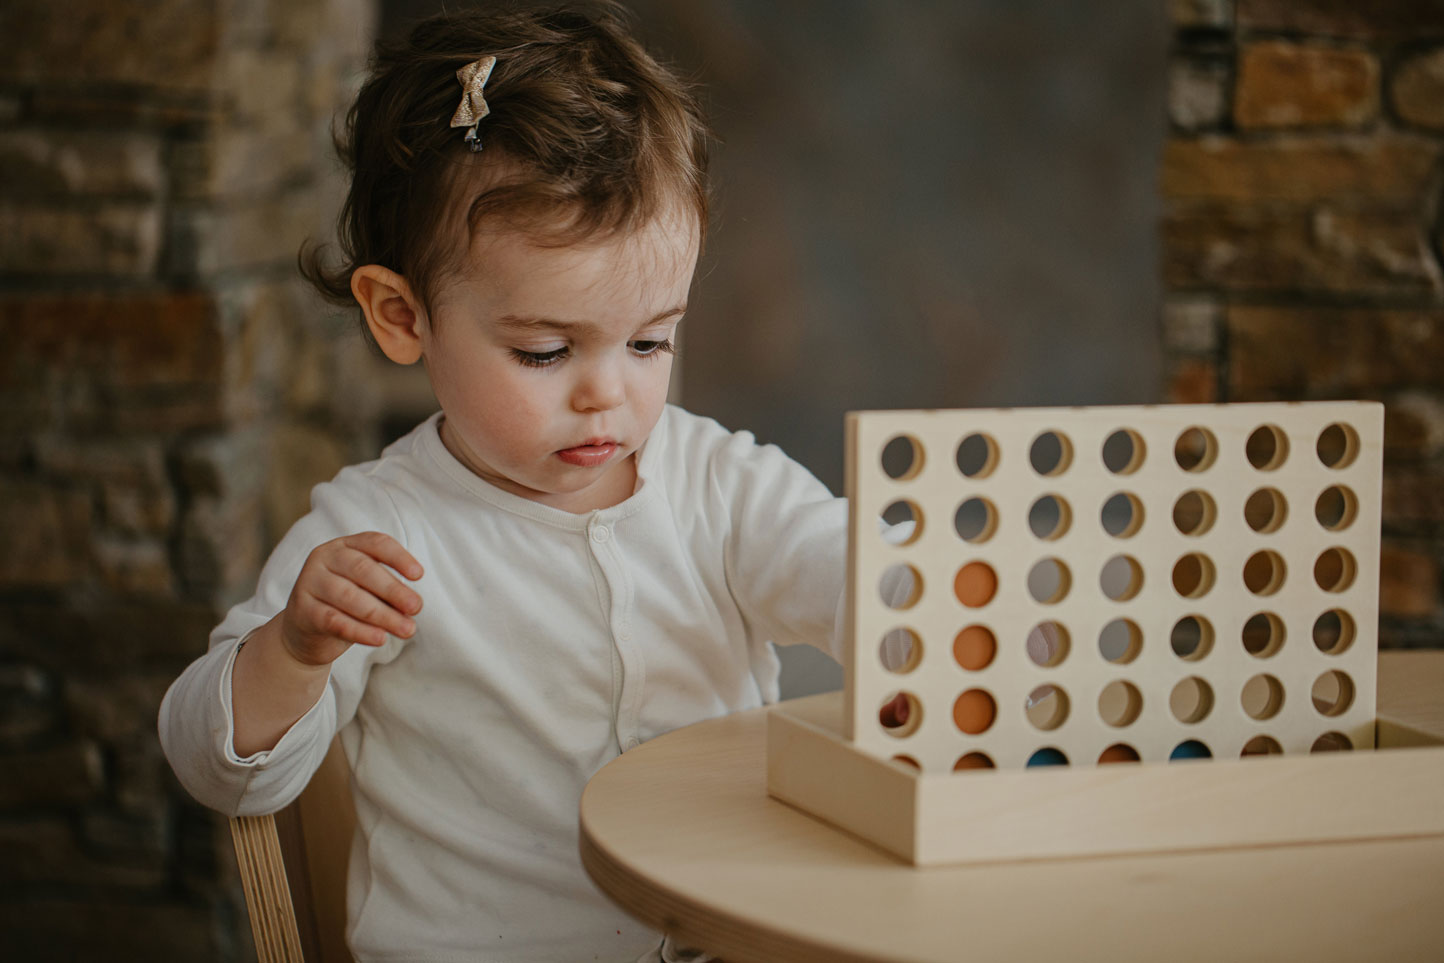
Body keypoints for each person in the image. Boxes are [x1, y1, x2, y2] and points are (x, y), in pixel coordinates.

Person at [158, 4, 852, 960]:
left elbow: (852, 572)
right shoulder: (381, 530)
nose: (608, 393)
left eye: (651, 340)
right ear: (403, 317)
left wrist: (928, 598)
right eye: (543, 350)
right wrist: (294, 649)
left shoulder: (716, 481)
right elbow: (213, 766)